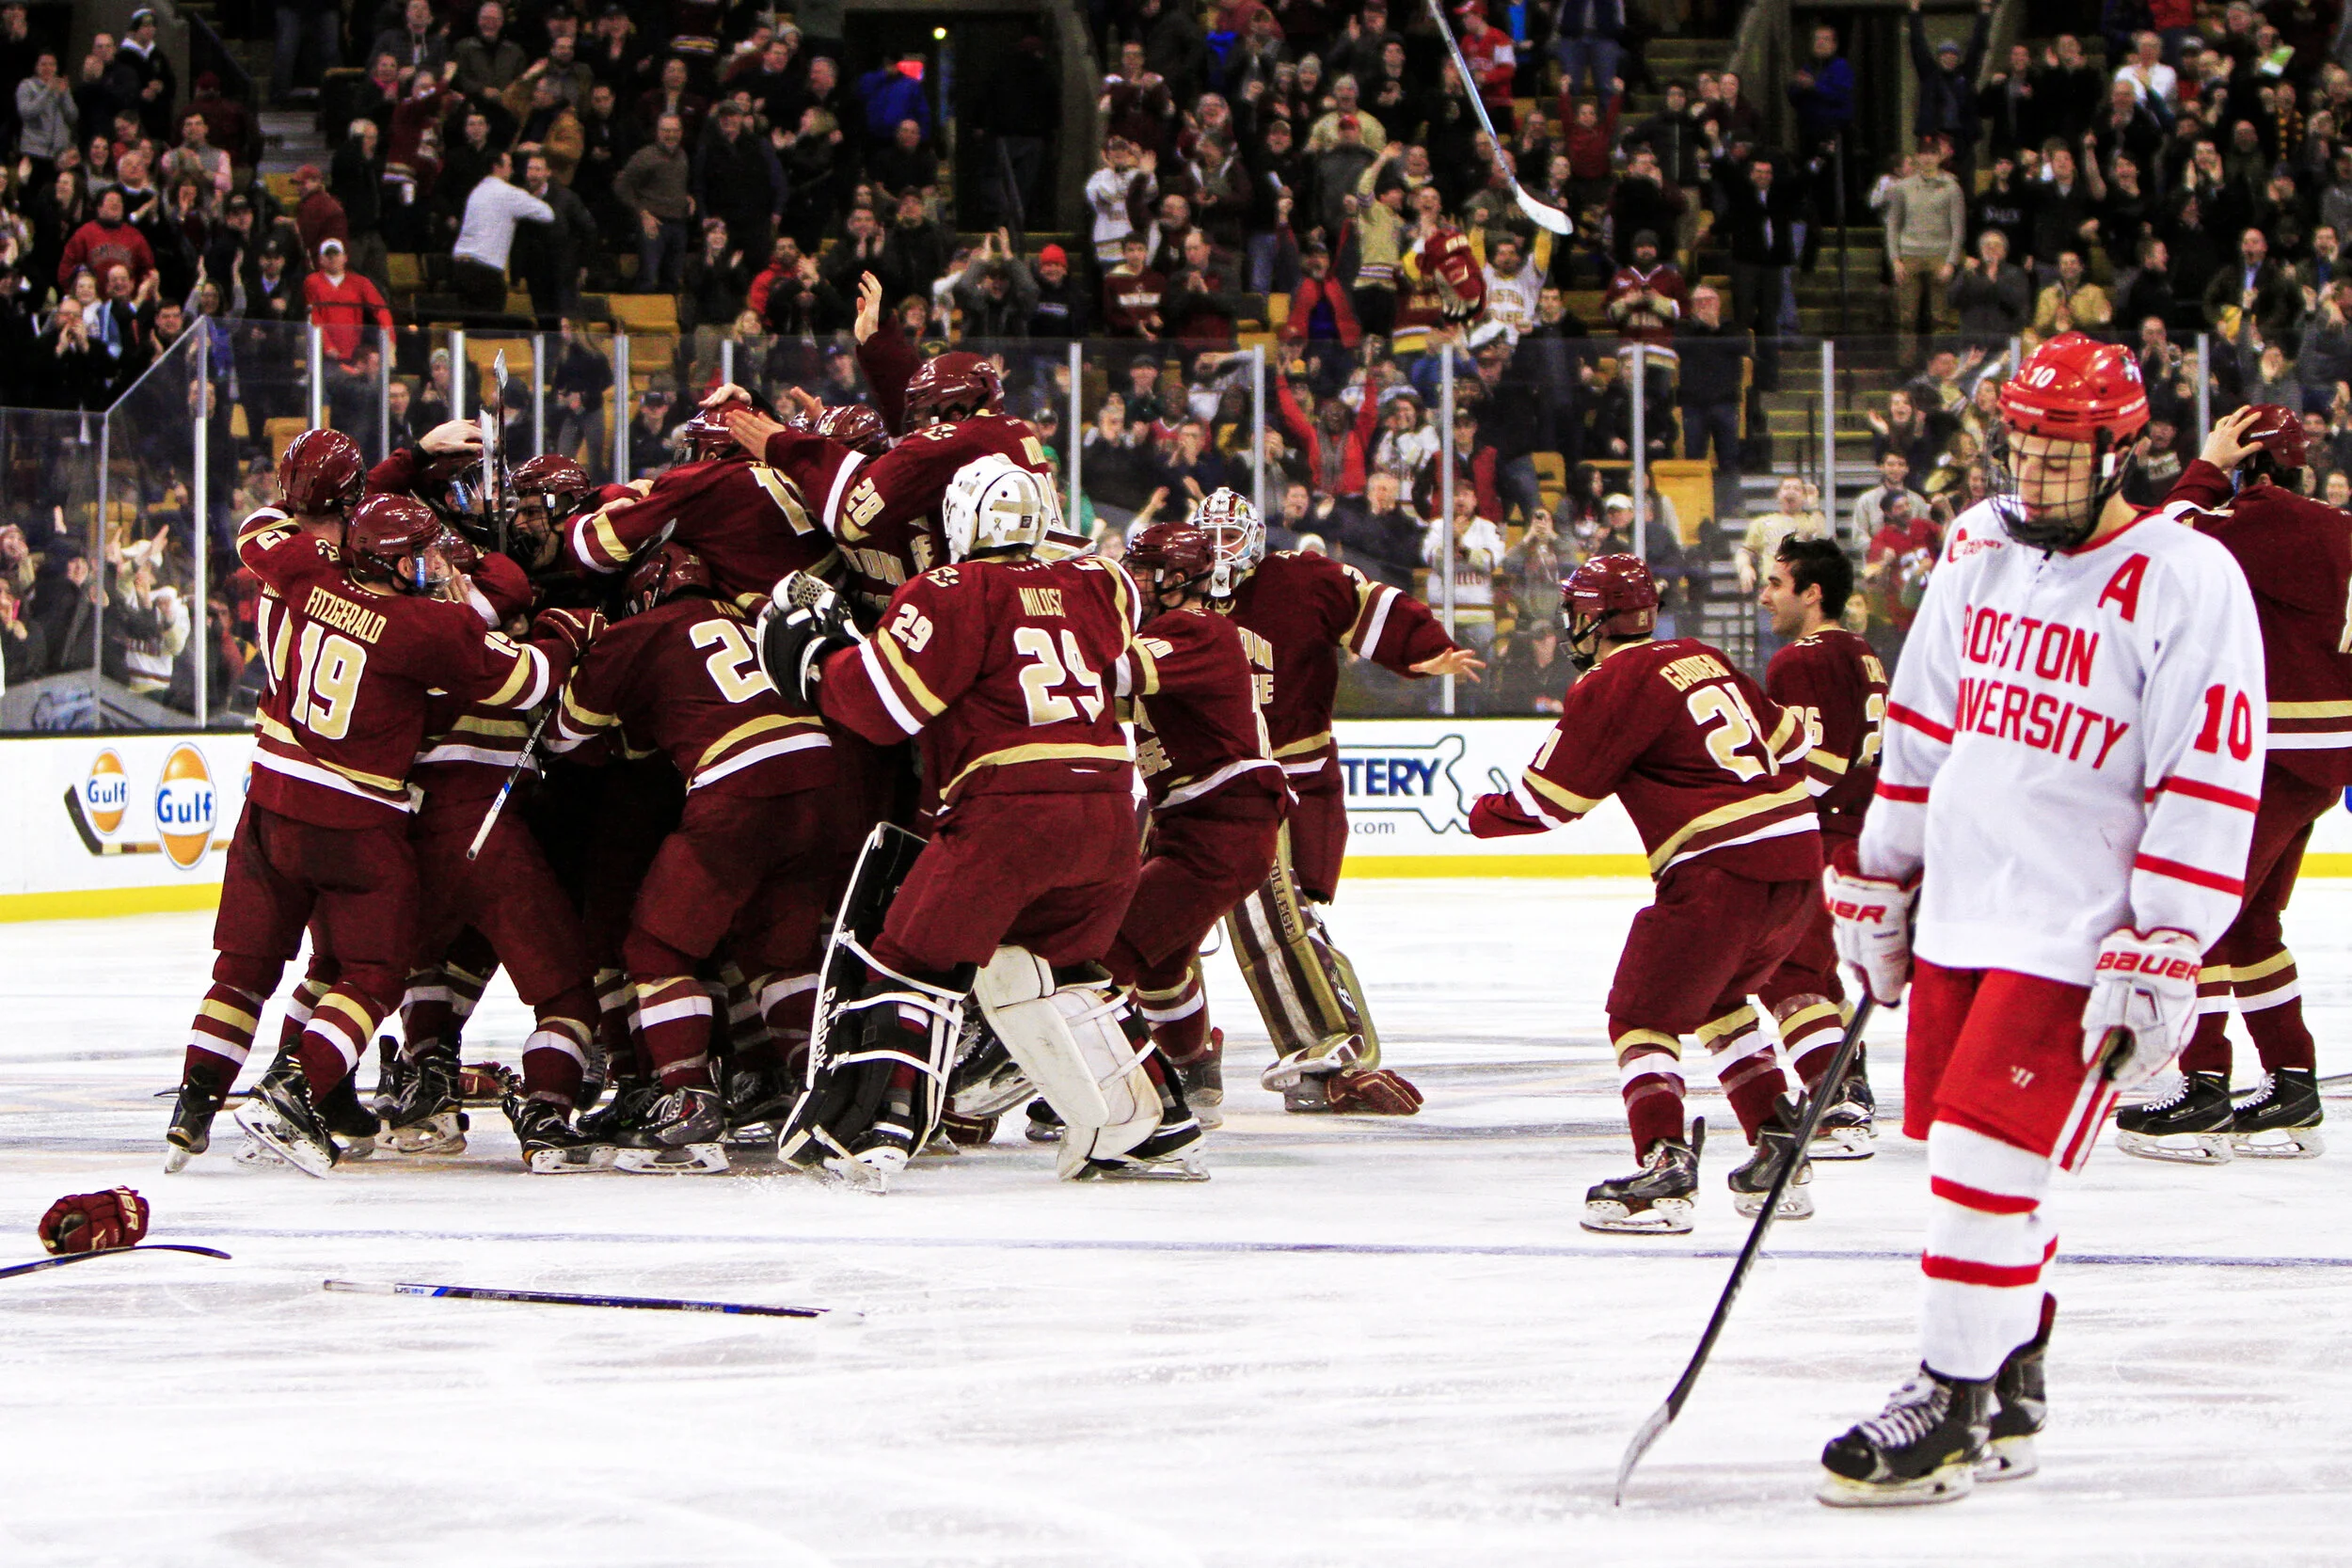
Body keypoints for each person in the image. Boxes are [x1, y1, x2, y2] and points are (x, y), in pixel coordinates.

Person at [1819, 333, 2265, 1505]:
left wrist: (2167, 936)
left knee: (1982, 1160)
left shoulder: (2186, 575)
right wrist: (1886, 874)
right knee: (1968, 1165)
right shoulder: (1977, 553)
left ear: (2123, 451)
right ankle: (2009, 1377)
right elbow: (1920, 722)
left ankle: (1944, 1397)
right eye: (2019, 449)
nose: (2033, 475)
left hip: (2076, 930)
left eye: (2059, 455)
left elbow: (2207, 768)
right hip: (1964, 911)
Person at [764, 456, 1205, 1190]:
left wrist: (821, 659)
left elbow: (881, 709)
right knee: (1056, 969)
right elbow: (1094, 606)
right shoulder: (1099, 582)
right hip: (1106, 813)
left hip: (1010, 814)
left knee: (907, 959)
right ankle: (1148, 1125)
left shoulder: (950, 588)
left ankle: (868, 1129)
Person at [168, 439, 584, 1177]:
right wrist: (564, 631)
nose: (434, 569)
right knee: (373, 970)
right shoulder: (426, 628)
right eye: (421, 559)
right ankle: (301, 1085)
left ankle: (196, 1107)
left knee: (247, 968)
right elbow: (520, 662)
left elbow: (267, 523)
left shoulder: (296, 569)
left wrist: (397, 469)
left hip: (268, 801)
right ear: (393, 562)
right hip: (360, 818)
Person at [1469, 554, 1821, 1232]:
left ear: (1598, 620)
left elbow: (1550, 800)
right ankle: (1779, 1143)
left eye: (1578, 614)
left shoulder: (1613, 679)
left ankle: (1663, 1167)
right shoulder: (1701, 655)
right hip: (1798, 867)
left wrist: (1481, 814)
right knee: (1719, 997)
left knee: (1639, 1011)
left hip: (1723, 875)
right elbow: (1793, 738)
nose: (1573, 627)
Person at [540, 540, 837, 1173]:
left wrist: (576, 646)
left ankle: (687, 1102)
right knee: (782, 953)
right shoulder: (746, 611)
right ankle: (821, 1092)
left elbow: (566, 730)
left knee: (655, 947)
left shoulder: (641, 630)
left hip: (738, 788)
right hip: (820, 777)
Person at [2112, 405, 2344, 1161]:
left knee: (2200, 909)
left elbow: (2159, 544)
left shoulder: (2268, 515)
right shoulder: (2333, 524)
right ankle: (2292, 1081)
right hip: (2320, 753)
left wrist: (2206, 466)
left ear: (2252, 465)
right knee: (2250, 923)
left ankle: (2201, 1085)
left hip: (2278, 750)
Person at [1200, 487, 1475, 1111]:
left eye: (1231, 537)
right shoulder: (1174, 584)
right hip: (1200, 781)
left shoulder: (1303, 580)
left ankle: (1331, 1052)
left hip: (1293, 781)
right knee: (1153, 923)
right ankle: (1180, 1050)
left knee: (1286, 915)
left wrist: (1424, 647)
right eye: (1209, 538)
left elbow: (1372, 603)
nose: (1219, 553)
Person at [1086, 521, 1289, 1132]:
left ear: (1177, 580)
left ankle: (1117, 1092)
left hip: (1218, 828)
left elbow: (1113, 673)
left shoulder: (1192, 628)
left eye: (1143, 570)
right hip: (1202, 827)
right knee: (1162, 964)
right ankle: (1193, 1066)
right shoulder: (1175, 631)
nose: (1134, 581)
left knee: (1100, 957)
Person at [1756, 537, 1889, 1154]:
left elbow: (1818, 764)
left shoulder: (1798, 660)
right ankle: (1850, 1079)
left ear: (1812, 594)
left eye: (1777, 583)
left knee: (1788, 970)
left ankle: (1834, 1103)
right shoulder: (1862, 652)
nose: (1765, 595)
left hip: (1821, 834)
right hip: (1861, 831)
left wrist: (1756, 812)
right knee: (1820, 969)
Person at [451, 149, 554, 309]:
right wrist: (535, 195)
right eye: (509, 165)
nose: (512, 170)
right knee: (488, 328)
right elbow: (547, 214)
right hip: (485, 270)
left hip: (461, 267)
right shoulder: (508, 193)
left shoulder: (477, 191)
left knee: (470, 327)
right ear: (496, 167)